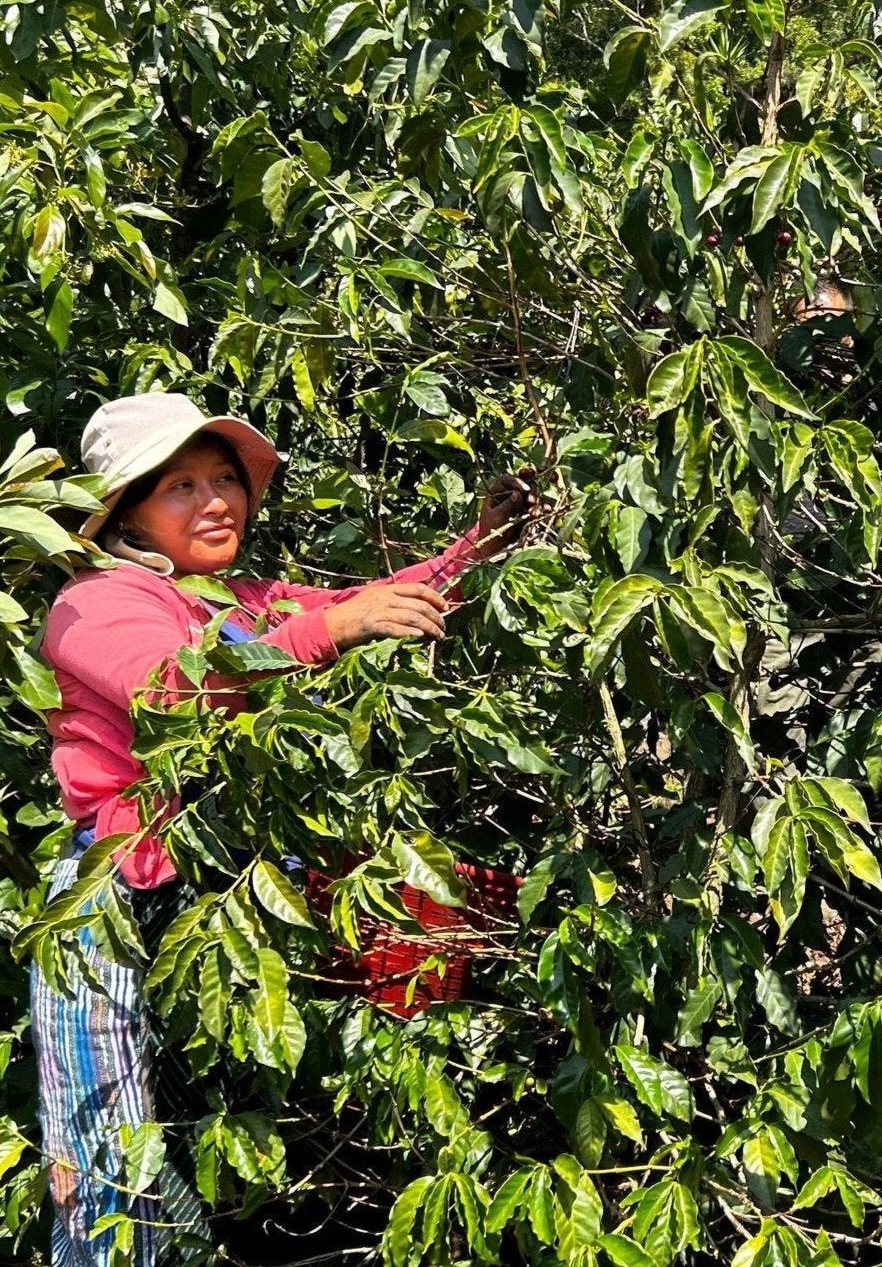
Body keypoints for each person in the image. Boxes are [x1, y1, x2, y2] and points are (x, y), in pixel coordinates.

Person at [33, 392, 537, 1266]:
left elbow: (374, 599)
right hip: (115, 905)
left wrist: (480, 544)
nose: (215, 499)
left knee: (242, 1144)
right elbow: (170, 689)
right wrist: (328, 630)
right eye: (180, 485)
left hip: (230, 892)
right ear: (125, 511)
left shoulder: (244, 596)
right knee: (110, 1163)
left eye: (223, 478)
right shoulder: (97, 602)